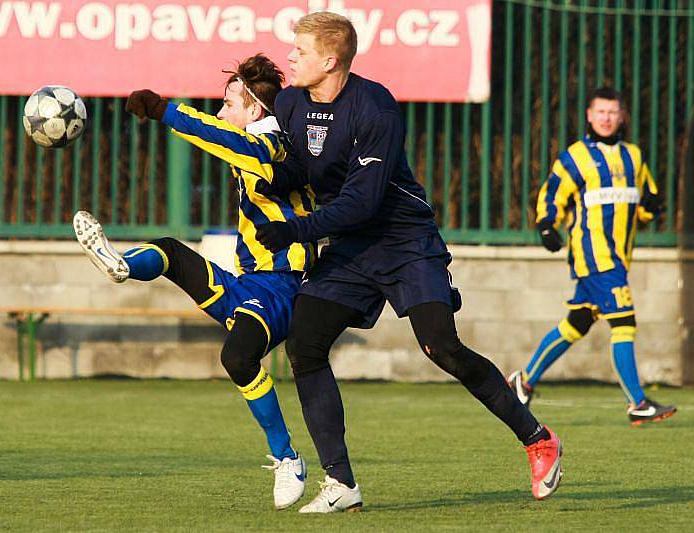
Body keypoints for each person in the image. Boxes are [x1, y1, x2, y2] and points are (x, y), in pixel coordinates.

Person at [253, 12, 563, 513]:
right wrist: (265, 177)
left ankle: (538, 439)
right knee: (305, 344)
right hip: (350, 248)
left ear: (330, 60)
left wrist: (296, 229)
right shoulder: (291, 102)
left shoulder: (375, 108)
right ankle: (341, 483)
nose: (290, 58)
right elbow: (299, 167)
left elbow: (363, 201)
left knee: (441, 346)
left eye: (300, 52)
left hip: (403, 240)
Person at [72, 54, 316, 509]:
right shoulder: (256, 142)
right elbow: (227, 139)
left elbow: (227, 139)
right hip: (252, 282)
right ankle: (122, 266)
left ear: (256, 111)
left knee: (238, 356)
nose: (222, 111)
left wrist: (165, 110)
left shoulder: (275, 144)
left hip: (287, 283)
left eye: (228, 103)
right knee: (170, 251)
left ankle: (287, 459)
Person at [508, 86, 677, 426]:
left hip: (619, 257)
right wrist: (546, 224)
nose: (606, 118)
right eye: (600, 111)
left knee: (577, 323)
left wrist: (652, 208)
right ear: (589, 115)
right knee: (624, 323)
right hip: (594, 255)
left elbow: (646, 202)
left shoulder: (634, 156)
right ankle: (637, 403)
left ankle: (522, 382)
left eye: (613, 112)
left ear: (622, 115)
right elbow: (552, 194)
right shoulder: (576, 156)